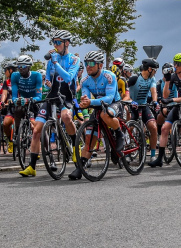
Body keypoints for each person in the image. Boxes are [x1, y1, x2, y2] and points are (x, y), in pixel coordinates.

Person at [70, 50, 123, 180]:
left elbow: (109, 98)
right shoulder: (85, 81)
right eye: (86, 63)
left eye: (92, 63)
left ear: (100, 65)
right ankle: (81, 167)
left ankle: (119, 133)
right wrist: (84, 103)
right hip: (98, 107)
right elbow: (86, 99)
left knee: (105, 115)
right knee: (89, 137)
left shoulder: (109, 76)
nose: (88, 66)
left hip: (113, 103)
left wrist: (90, 102)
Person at [36, 30, 81, 167]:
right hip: (52, 96)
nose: (55, 45)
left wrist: (55, 63)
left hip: (67, 96)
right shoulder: (51, 61)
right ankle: (32, 166)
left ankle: (76, 145)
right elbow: (47, 80)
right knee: (37, 128)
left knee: (66, 117)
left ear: (67, 43)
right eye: (53, 42)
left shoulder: (74, 59)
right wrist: (47, 83)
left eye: (58, 42)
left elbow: (68, 78)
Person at [150, 53, 181, 168]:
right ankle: (160, 158)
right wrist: (168, 80)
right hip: (179, 104)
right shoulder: (174, 76)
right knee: (164, 128)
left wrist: (172, 99)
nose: (175, 66)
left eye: (178, 64)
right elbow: (165, 95)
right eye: (175, 63)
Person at [8, 55, 44, 177]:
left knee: (40, 129)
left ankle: (48, 153)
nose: (20, 69)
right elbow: (14, 95)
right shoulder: (15, 76)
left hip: (35, 102)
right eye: (18, 67)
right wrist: (15, 100)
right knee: (17, 109)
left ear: (29, 67)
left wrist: (29, 100)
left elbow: (39, 96)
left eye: (23, 67)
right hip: (22, 101)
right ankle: (18, 131)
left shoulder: (37, 75)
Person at [126, 58, 161, 161]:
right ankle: (127, 152)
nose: (155, 72)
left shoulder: (152, 79)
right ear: (149, 69)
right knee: (129, 128)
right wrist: (131, 101)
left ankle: (153, 155)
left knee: (153, 127)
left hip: (144, 106)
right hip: (133, 106)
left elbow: (153, 91)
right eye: (154, 70)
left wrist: (155, 101)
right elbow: (125, 94)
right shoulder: (134, 78)